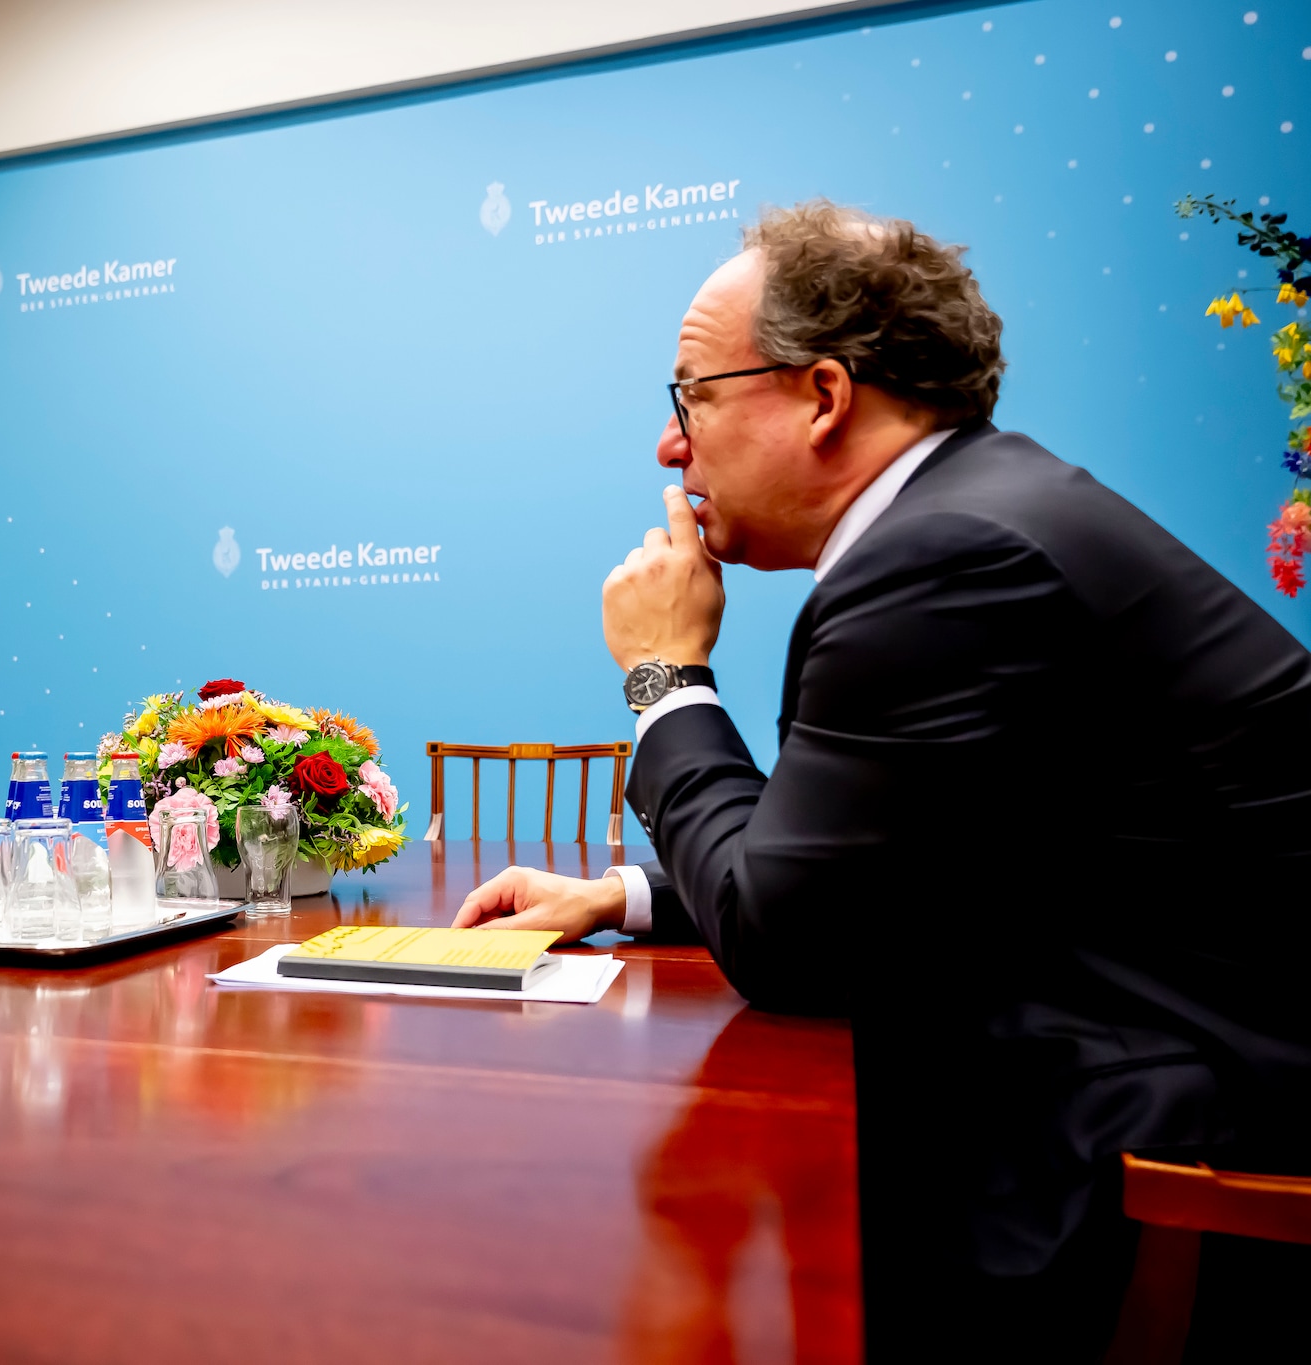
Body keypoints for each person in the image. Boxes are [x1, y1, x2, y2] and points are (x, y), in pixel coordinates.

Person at [454, 202, 1311, 1359]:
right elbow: (889, 867)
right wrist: (632, 895)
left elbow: (797, 946)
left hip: (1196, 1124)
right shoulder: (977, 509)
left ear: (820, 395)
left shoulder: (945, 555)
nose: (670, 448)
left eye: (689, 399)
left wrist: (662, 675)